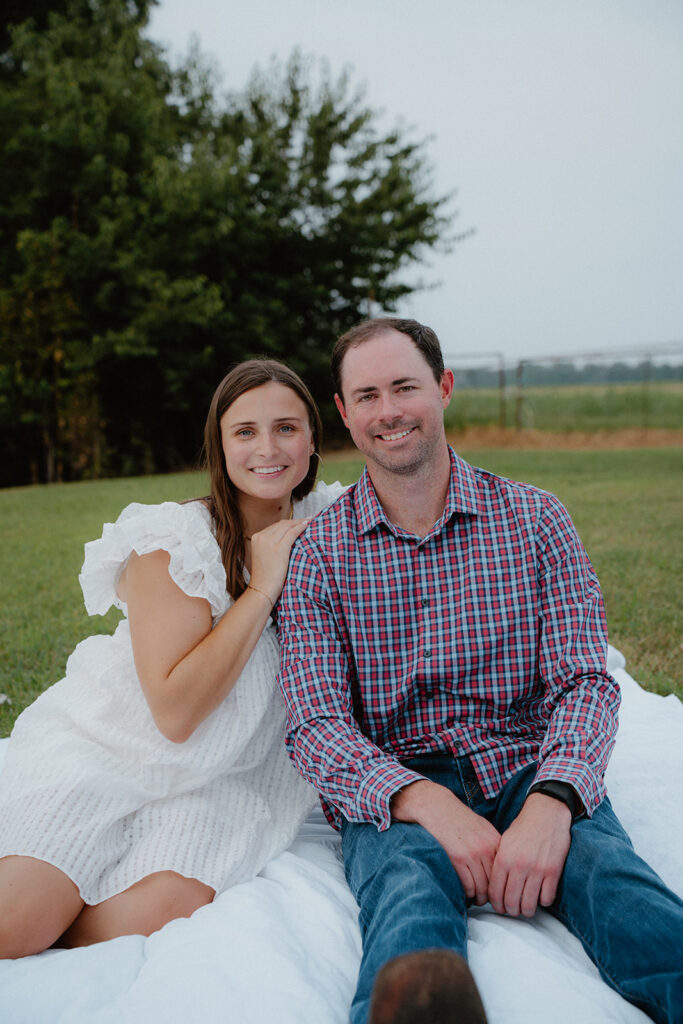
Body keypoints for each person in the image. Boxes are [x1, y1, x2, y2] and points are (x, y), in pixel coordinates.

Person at [277, 318, 683, 1024]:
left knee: (613, 883)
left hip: (529, 764)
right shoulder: (318, 554)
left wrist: (552, 803)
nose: (388, 411)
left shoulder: (535, 519)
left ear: (442, 387)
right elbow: (315, 726)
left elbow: (584, 683)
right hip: (399, 788)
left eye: (404, 386)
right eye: (366, 395)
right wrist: (426, 803)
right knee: (406, 895)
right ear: (343, 413)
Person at [0, 358, 343, 958]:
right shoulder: (177, 541)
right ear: (220, 445)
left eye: (287, 427)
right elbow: (175, 716)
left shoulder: (332, 524)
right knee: (14, 924)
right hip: (115, 750)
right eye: (245, 432)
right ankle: (45, 899)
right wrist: (261, 591)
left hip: (224, 776)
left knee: (163, 907)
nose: (268, 447)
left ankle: (64, 915)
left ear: (313, 441)